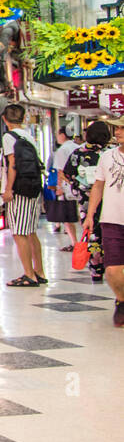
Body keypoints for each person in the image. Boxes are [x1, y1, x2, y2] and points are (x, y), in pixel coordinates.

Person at [0, 103, 47, 287]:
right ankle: (39, 271)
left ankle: (29, 274)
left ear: (5, 119)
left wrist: (8, 189)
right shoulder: (28, 135)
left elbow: (13, 165)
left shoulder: (8, 136)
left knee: (19, 233)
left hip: (19, 190)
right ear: (23, 118)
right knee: (31, 232)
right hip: (33, 187)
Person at [83, 116, 124, 326]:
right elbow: (98, 186)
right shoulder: (107, 157)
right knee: (112, 270)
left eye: (122, 128)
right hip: (112, 220)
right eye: (116, 128)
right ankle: (122, 300)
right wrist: (90, 215)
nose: (117, 132)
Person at [64, 121, 112, 282]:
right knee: (112, 233)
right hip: (110, 199)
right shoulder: (111, 153)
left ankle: (96, 268)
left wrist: (79, 185)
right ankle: (113, 265)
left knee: (92, 234)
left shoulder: (78, 154)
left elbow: (68, 174)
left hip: (86, 201)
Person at [51, 127, 82, 251]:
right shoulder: (77, 147)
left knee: (67, 217)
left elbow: (59, 171)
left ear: (62, 135)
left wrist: (58, 187)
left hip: (67, 187)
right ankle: (86, 242)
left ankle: (75, 243)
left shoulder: (62, 150)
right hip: (79, 185)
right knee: (81, 214)